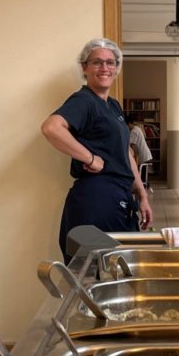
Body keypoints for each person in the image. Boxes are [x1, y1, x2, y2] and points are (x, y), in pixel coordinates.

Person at [41, 38, 152, 258]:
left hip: (119, 197)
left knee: (119, 268)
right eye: (97, 62)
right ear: (85, 67)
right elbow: (51, 128)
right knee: (97, 270)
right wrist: (90, 158)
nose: (105, 68)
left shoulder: (113, 106)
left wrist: (142, 194)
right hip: (97, 198)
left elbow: (126, 153)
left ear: (116, 68)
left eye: (110, 62)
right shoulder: (84, 100)